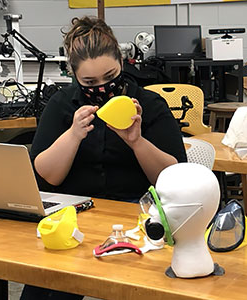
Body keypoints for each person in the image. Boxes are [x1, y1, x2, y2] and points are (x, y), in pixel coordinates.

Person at [23, 16, 187, 300]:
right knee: (47, 284)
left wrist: (136, 142)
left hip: (133, 216)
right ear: (73, 76)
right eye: (89, 81)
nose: (101, 87)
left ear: (121, 63)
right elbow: (48, 175)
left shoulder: (149, 105)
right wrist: (73, 135)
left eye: (110, 77)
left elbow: (173, 177)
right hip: (74, 216)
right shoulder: (61, 105)